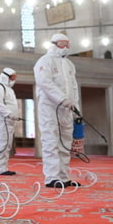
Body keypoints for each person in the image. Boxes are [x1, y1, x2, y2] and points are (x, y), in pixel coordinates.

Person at [34, 33, 81, 188]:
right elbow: (44, 82)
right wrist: (61, 98)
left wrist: (76, 108)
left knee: (66, 142)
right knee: (51, 141)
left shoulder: (69, 64)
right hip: (50, 107)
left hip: (67, 108)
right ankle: (52, 177)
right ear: (54, 44)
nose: (66, 47)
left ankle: (64, 176)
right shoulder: (44, 61)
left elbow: (74, 88)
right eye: (62, 44)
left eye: (68, 44)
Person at [0, 68, 18, 175]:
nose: (14, 80)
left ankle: (3, 167)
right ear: (6, 76)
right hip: (0, 121)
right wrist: (9, 114)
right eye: (12, 77)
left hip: (9, 121)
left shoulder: (9, 89)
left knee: (7, 145)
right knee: (1, 144)